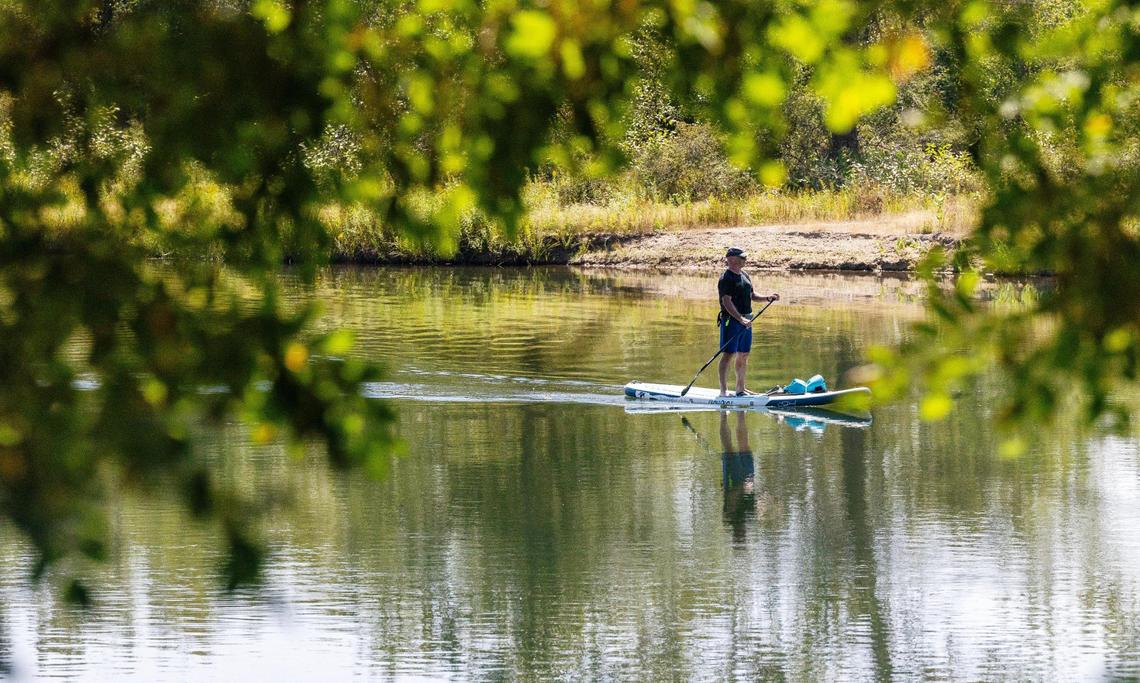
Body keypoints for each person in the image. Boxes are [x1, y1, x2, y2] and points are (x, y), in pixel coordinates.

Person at [717, 247, 778, 396]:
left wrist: (767, 298)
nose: (745, 260)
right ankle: (723, 392)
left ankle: (740, 389)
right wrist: (740, 319)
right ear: (732, 260)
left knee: (743, 354)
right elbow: (726, 302)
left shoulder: (744, 275)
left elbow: (752, 295)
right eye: (742, 258)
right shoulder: (726, 278)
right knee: (728, 354)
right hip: (731, 321)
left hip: (746, 320)